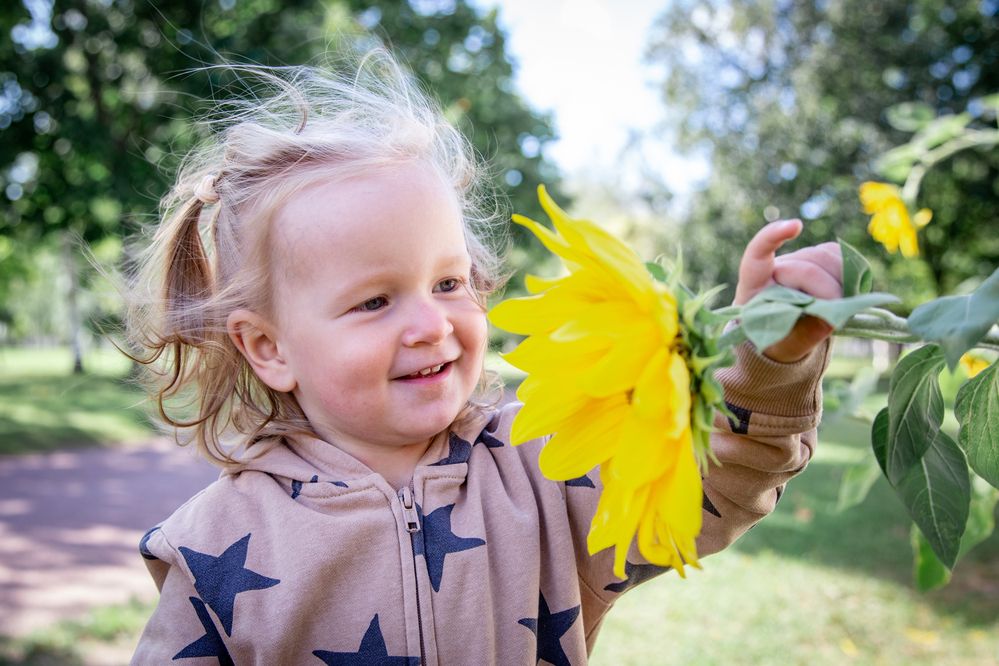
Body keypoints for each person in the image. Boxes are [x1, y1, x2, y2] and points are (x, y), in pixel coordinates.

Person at [128, 52, 841, 665]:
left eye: (448, 282)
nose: (432, 322)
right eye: (375, 302)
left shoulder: (544, 465)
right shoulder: (214, 549)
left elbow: (712, 490)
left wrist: (768, 361)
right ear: (269, 348)